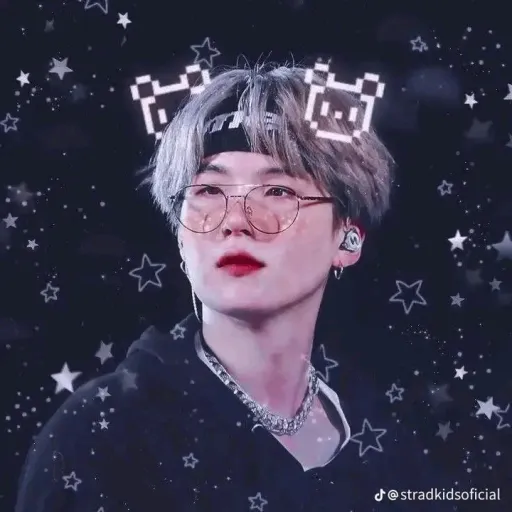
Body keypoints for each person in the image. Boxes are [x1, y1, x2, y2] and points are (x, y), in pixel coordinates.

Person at [15, 62, 454, 511]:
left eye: (278, 192)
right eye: (208, 191)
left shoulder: (386, 440)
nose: (236, 221)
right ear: (180, 236)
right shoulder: (102, 436)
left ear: (347, 238)